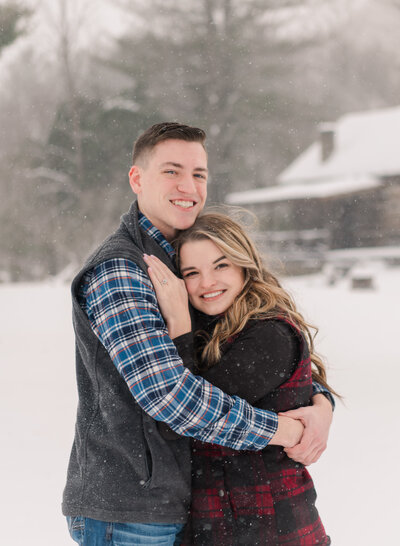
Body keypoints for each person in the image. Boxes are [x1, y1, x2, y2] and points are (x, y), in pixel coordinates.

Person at [62, 122, 334, 545]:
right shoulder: (123, 270)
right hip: (130, 509)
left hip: (177, 505)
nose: (188, 185)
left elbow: (240, 352)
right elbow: (169, 396)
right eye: (171, 171)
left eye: (199, 173)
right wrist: (284, 431)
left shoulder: (182, 260)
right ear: (137, 178)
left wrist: (319, 403)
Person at [145, 211, 335, 544]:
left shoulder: (269, 334)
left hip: (271, 526)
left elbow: (183, 415)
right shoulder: (215, 325)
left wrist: (178, 324)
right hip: (223, 522)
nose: (207, 283)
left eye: (221, 266)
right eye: (192, 273)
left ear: (244, 265)